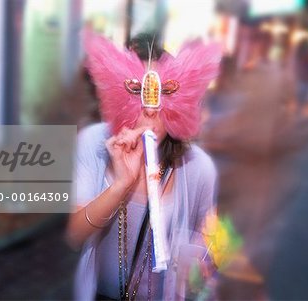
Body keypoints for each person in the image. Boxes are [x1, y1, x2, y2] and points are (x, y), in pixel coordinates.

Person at [66, 30, 222, 300]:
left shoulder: (198, 167)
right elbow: (74, 235)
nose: (150, 109)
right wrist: (121, 185)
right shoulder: (93, 142)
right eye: (137, 91)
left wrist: (206, 265)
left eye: (164, 92)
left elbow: (214, 241)